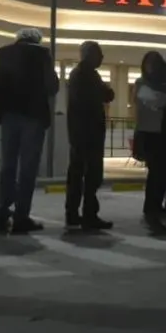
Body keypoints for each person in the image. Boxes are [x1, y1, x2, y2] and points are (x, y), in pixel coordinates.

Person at [0, 28, 59, 234]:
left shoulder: (3, 52)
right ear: (36, 40)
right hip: (33, 116)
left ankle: (3, 213)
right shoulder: (42, 54)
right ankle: (21, 216)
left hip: (9, 114)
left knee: (8, 165)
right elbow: (52, 85)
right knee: (28, 167)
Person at [65, 41, 115, 230]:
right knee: (90, 174)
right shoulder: (86, 75)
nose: (102, 58)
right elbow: (107, 95)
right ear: (90, 55)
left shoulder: (81, 74)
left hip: (81, 133)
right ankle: (87, 214)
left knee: (79, 175)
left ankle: (75, 213)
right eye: (99, 54)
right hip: (88, 133)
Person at [134, 51, 166, 232]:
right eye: (148, 64)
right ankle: (151, 211)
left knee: (163, 174)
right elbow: (154, 99)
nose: (151, 68)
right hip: (150, 133)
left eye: (155, 64)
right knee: (156, 174)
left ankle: (156, 209)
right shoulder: (142, 83)